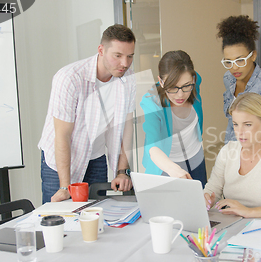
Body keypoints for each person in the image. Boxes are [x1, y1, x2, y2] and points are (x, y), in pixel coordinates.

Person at [38, 24, 136, 204]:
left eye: (130, 56)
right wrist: (64, 186)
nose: (125, 63)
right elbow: (62, 135)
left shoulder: (128, 78)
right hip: (60, 162)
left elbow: (126, 128)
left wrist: (122, 171)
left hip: (96, 156)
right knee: (61, 219)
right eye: (118, 56)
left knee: (96, 215)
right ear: (101, 50)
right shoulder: (69, 78)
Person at [140, 50, 207, 187]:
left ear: (193, 79)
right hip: (166, 163)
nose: (180, 95)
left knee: (200, 204)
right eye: (172, 87)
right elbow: (152, 146)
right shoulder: (152, 102)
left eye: (186, 86)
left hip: (195, 157)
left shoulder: (194, 83)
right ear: (161, 81)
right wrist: (173, 169)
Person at [217, 15, 261, 143]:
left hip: (254, 153)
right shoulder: (228, 78)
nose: (234, 67)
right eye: (228, 62)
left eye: (240, 60)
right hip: (231, 148)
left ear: (253, 55)